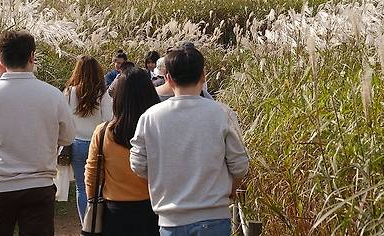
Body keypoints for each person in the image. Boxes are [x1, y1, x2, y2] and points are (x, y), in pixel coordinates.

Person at [130, 45, 249, 236]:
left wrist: (161, 180)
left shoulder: (150, 117)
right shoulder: (222, 113)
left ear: (168, 78)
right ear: (203, 75)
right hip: (214, 217)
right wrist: (230, 189)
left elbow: (137, 164)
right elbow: (240, 165)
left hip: (170, 220)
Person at [0, 30, 76, 236]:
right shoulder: (53, 95)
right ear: (32, 56)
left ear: (0, 60)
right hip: (40, 185)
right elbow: (68, 137)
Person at [85, 68, 160, 236]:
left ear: (118, 97)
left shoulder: (103, 132)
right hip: (153, 208)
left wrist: (93, 200)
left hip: (115, 210)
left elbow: (92, 172)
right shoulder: (158, 130)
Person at [64, 56, 113, 223]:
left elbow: (65, 118)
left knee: (81, 187)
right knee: (99, 187)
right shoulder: (103, 94)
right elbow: (109, 119)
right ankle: (97, 223)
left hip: (76, 143)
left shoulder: (70, 92)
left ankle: (85, 224)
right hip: (99, 144)